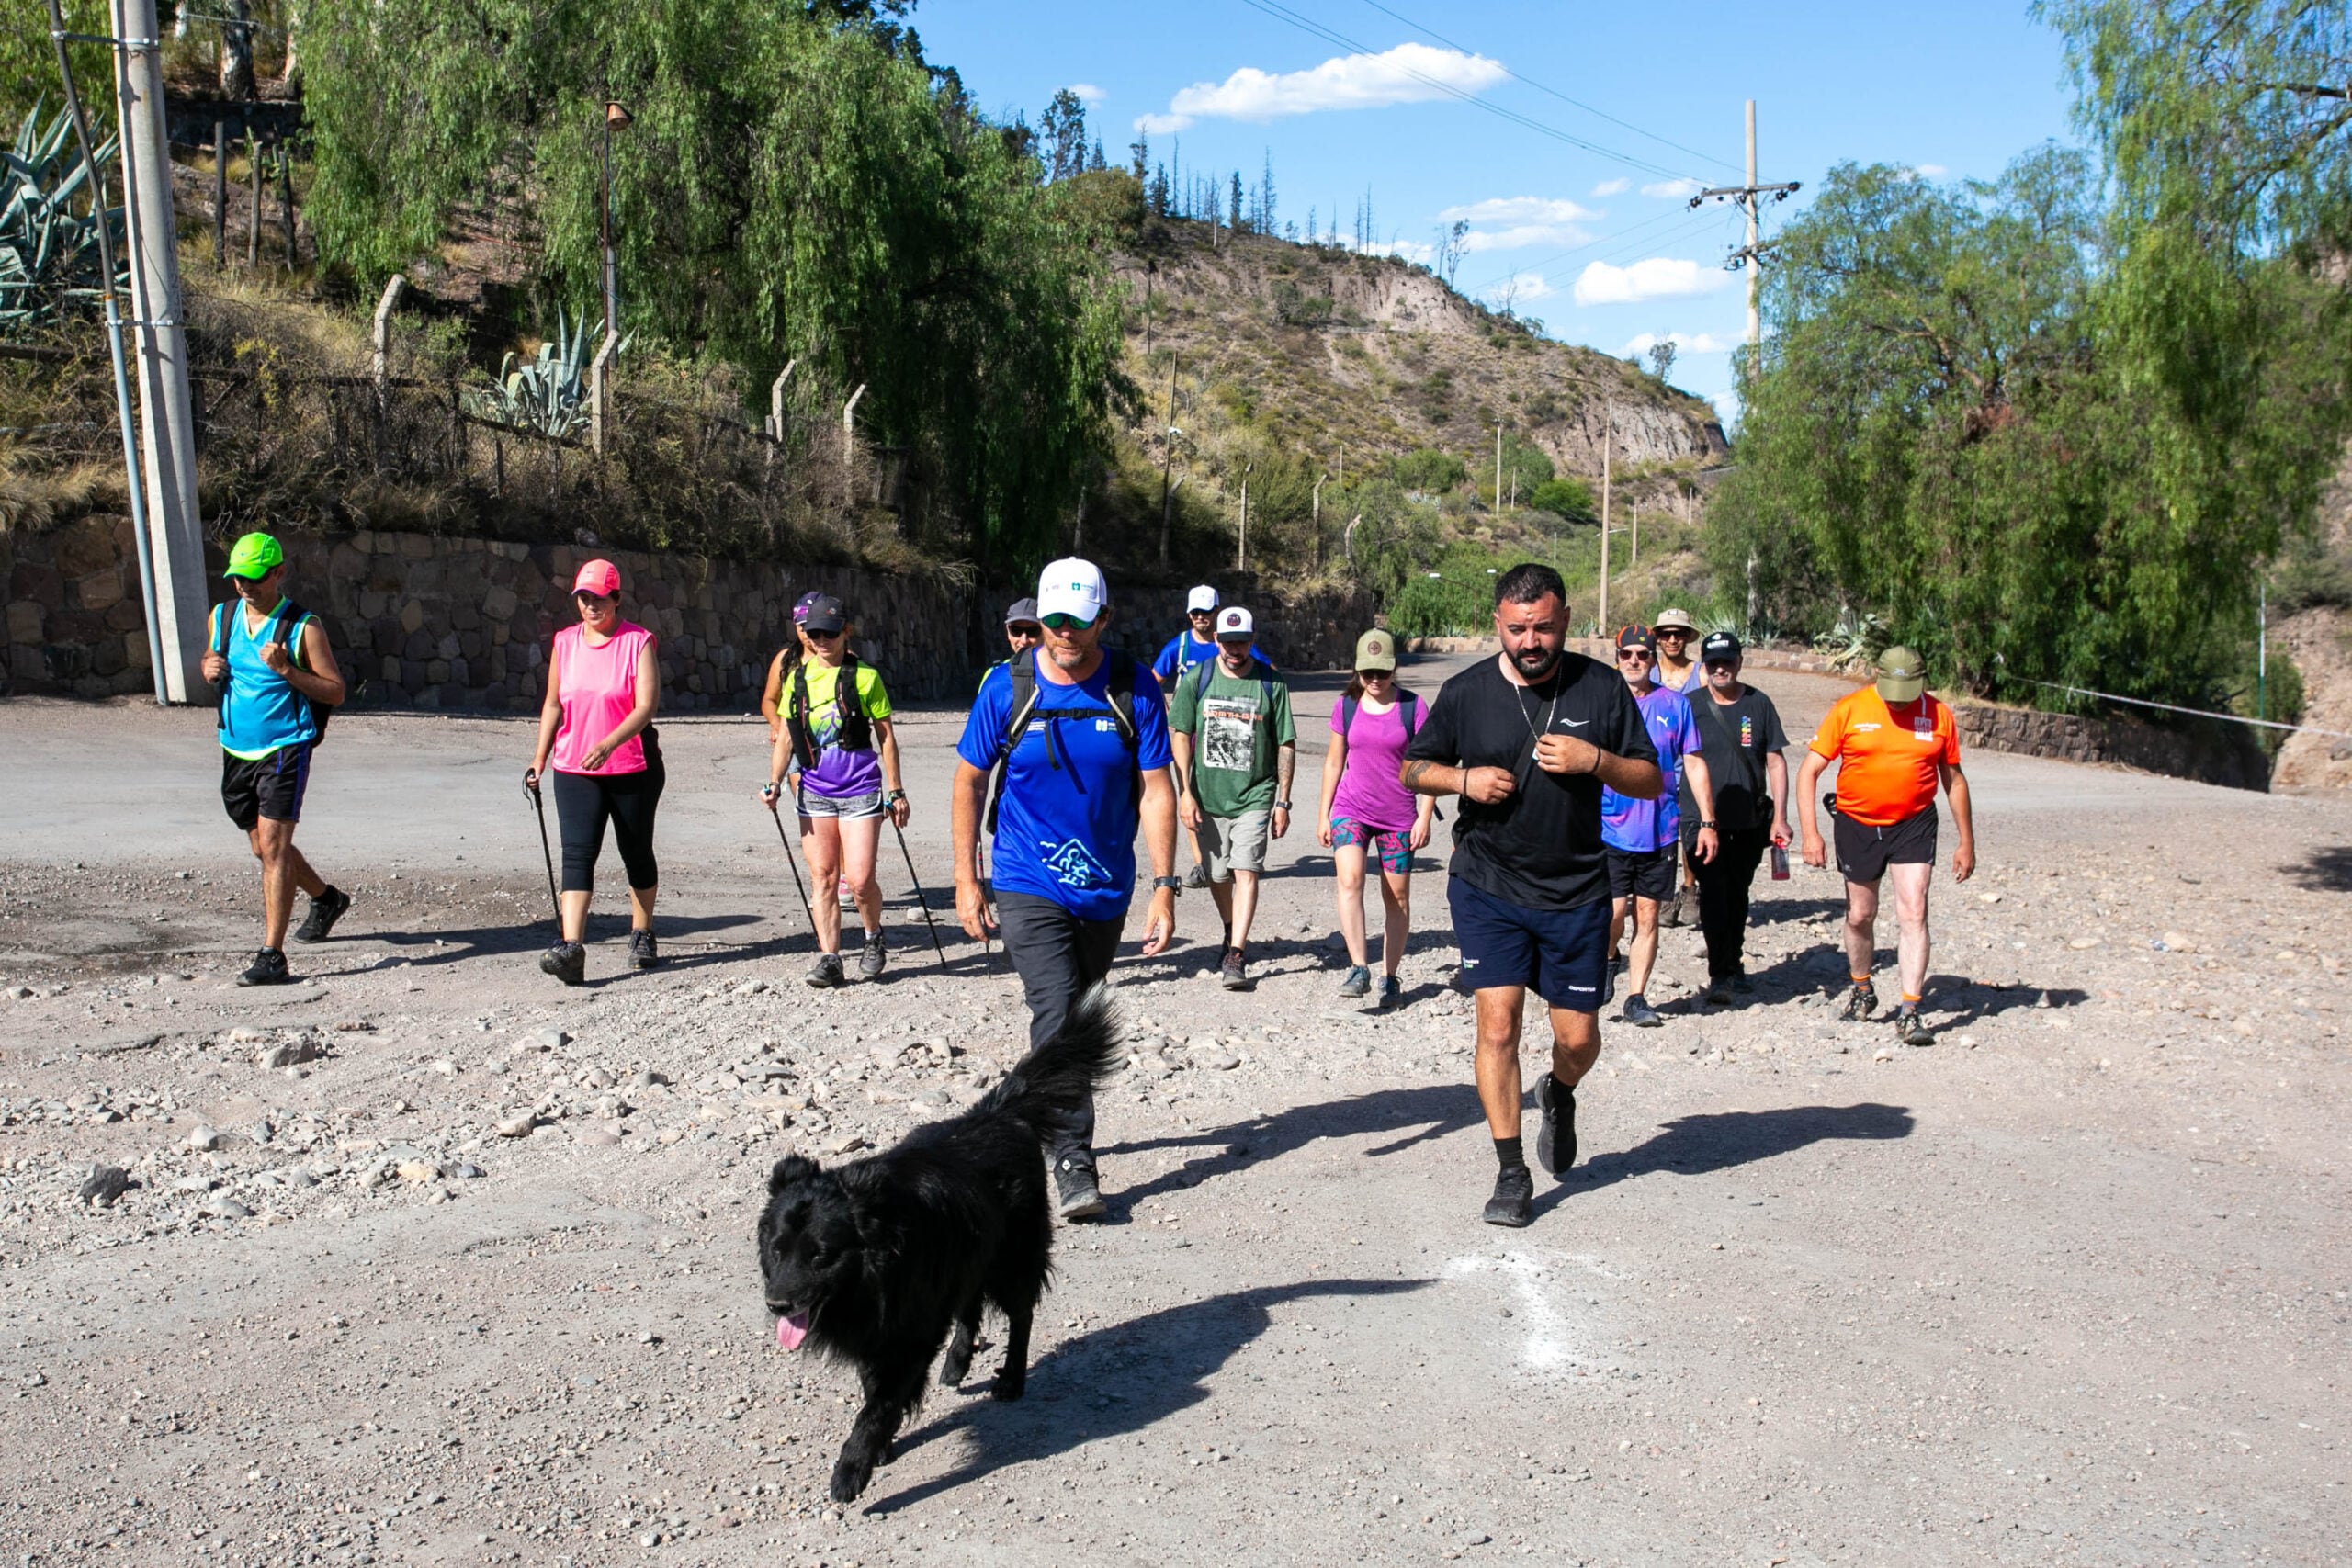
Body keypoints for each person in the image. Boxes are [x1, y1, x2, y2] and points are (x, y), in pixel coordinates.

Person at [1402, 563, 1660, 1228]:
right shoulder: (1465, 692)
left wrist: (1595, 761)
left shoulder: (1601, 688)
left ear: (1566, 620)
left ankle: (1561, 1091)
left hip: (1577, 892)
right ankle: (1511, 1169)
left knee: (1577, 1038)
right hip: (1488, 884)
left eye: (1543, 626)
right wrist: (1461, 781)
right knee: (1498, 1024)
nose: (1531, 640)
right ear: (1498, 625)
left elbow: (1650, 779)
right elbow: (1410, 766)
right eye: (1517, 628)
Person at [951, 558, 1180, 1219]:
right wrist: (969, 878)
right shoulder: (1007, 687)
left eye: (1079, 622)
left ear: (1103, 619)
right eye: (1053, 621)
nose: (1065, 633)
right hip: (1025, 874)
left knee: (1076, 1017)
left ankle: (1018, 1119)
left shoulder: (1134, 688)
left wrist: (1164, 885)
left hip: (1104, 886)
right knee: (1055, 1013)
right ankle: (1072, 1157)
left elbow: (1159, 790)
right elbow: (968, 780)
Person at [1795, 644, 1977, 1045]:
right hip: (1857, 824)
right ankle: (1862, 988)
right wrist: (1811, 833)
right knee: (1860, 914)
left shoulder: (1938, 715)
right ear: (1877, 676)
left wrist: (1967, 841)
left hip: (1913, 823)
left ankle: (1911, 1010)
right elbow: (1809, 770)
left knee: (1914, 911)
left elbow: (1954, 781)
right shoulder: (1850, 709)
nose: (1899, 703)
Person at [201, 531, 351, 987]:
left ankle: (273, 955)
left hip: (286, 746)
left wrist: (288, 669)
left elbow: (336, 691)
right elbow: (212, 656)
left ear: (278, 573)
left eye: (253, 578)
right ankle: (327, 899)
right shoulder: (222, 616)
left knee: (274, 848)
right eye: (237, 578)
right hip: (234, 746)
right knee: (262, 847)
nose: (244, 586)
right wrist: (207, 665)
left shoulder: (304, 626)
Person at [525, 559, 662, 986]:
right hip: (574, 766)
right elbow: (553, 704)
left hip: (631, 766)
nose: (590, 606)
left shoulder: (637, 643)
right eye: (583, 598)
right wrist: (539, 758)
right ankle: (572, 950)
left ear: (616, 598)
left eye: (599, 598)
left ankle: (641, 931)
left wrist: (608, 744)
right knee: (578, 853)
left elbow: (645, 708)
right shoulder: (565, 643)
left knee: (635, 852)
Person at [761, 593, 910, 987]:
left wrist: (895, 791)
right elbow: (787, 740)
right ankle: (829, 957)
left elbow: (886, 737)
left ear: (846, 632)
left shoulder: (866, 677)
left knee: (859, 880)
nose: (821, 640)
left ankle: (873, 936)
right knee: (824, 876)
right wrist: (774, 782)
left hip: (860, 787)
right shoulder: (796, 679)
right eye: (813, 633)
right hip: (815, 791)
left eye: (829, 632)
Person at [1169, 605, 1295, 990]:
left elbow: (1286, 743)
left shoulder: (1271, 683)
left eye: (1242, 642)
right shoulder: (1197, 679)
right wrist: (1185, 793)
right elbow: (1179, 732)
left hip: (1255, 796)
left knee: (1246, 870)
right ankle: (1230, 928)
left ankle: (1236, 955)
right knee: (1217, 875)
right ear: (1218, 641)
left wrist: (1282, 800)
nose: (1234, 649)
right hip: (1208, 797)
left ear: (1252, 642)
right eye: (1228, 642)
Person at [1600, 626, 1717, 1028]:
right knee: (1614, 912)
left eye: (1643, 654)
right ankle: (1610, 956)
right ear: (1616, 657)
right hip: (1609, 827)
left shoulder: (1675, 705)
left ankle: (1636, 997)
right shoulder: (1602, 703)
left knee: (1647, 915)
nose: (1635, 661)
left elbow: (1695, 762)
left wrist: (1707, 821)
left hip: (1660, 829)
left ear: (1654, 659)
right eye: (1627, 654)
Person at [1317, 628, 1434, 1009]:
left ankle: (1390, 975)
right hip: (1351, 808)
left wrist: (1425, 816)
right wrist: (1324, 813)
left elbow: (1430, 765)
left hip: (1398, 814)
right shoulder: (1346, 706)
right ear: (1357, 670)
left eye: (1382, 672)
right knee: (1349, 880)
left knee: (1396, 896)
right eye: (1368, 672)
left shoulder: (1412, 708)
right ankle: (1359, 966)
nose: (1375, 679)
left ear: (1394, 669)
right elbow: (1334, 761)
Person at [1682, 632, 1792, 1005]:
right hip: (1699, 820)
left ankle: (1734, 960)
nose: (1720, 669)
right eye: (1713, 663)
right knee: (1713, 892)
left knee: (1738, 893)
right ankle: (1721, 973)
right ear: (1704, 666)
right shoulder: (1690, 705)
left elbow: (1775, 760)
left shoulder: (1758, 703)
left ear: (1739, 662)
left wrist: (1780, 817)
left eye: (1727, 661)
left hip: (1747, 819)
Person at [760, 590, 824, 746]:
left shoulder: (843, 659)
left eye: (812, 625)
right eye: (802, 625)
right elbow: (769, 700)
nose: (807, 632)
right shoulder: (786, 659)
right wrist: (777, 726)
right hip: (795, 739)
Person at [1002, 596, 1043, 660]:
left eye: (1032, 631)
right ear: (1008, 632)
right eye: (1016, 630)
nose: (1024, 641)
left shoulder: (1060, 668)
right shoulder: (1000, 669)